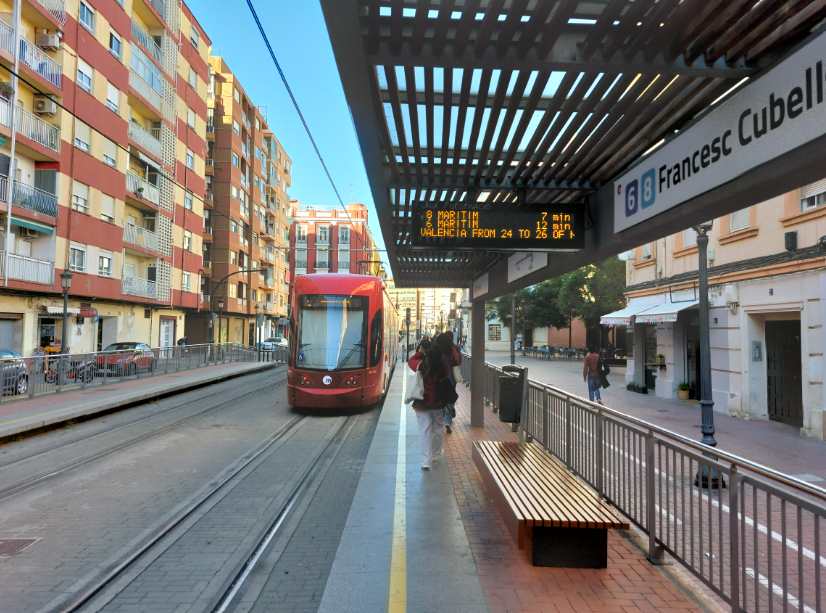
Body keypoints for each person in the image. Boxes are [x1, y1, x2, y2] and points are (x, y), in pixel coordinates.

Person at [408, 341, 447, 469]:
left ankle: (426, 461)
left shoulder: (420, 366)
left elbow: (410, 361)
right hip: (438, 403)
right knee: (437, 430)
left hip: (422, 403)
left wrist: (420, 352)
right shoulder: (444, 367)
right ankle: (436, 453)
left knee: (424, 432)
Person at [435, 331, 460, 434]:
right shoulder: (454, 349)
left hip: (440, 375)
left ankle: (440, 420)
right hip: (451, 376)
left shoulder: (437, 350)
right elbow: (458, 361)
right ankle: (448, 422)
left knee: (439, 397)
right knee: (449, 398)